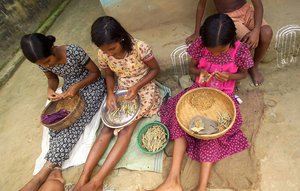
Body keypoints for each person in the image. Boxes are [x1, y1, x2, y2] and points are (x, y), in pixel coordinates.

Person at [153, 13, 253, 191]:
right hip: (199, 91)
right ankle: (173, 179)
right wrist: (199, 72)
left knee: (213, 135)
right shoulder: (200, 45)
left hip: (223, 97)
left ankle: (201, 187)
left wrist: (230, 76)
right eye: (211, 51)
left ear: (231, 41)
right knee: (179, 121)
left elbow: (244, 73)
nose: (215, 54)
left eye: (220, 51)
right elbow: (192, 67)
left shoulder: (240, 51)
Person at [73, 16, 161, 191]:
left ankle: (97, 180)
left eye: (112, 48)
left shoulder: (139, 48)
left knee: (126, 129)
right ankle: (84, 177)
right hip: (121, 89)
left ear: (121, 38)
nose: (109, 54)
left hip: (143, 86)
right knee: (107, 126)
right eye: (105, 51)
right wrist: (111, 93)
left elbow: (155, 69)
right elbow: (108, 75)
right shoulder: (103, 54)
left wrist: (136, 87)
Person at [19, 33, 106, 191]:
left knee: (76, 122)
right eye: (43, 64)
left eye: (48, 61)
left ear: (52, 49)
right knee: (56, 123)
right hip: (70, 91)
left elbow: (96, 73)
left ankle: (44, 172)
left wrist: (76, 87)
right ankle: (54, 168)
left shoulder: (73, 51)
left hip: (92, 85)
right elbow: (52, 79)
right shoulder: (42, 63)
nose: (47, 65)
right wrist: (50, 89)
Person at [186, 0, 273, 86]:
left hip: (247, 11)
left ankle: (254, 66)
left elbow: (258, 5)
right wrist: (196, 32)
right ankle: (243, 69)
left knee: (267, 32)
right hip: (230, 18)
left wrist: (256, 30)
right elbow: (201, 6)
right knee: (247, 42)